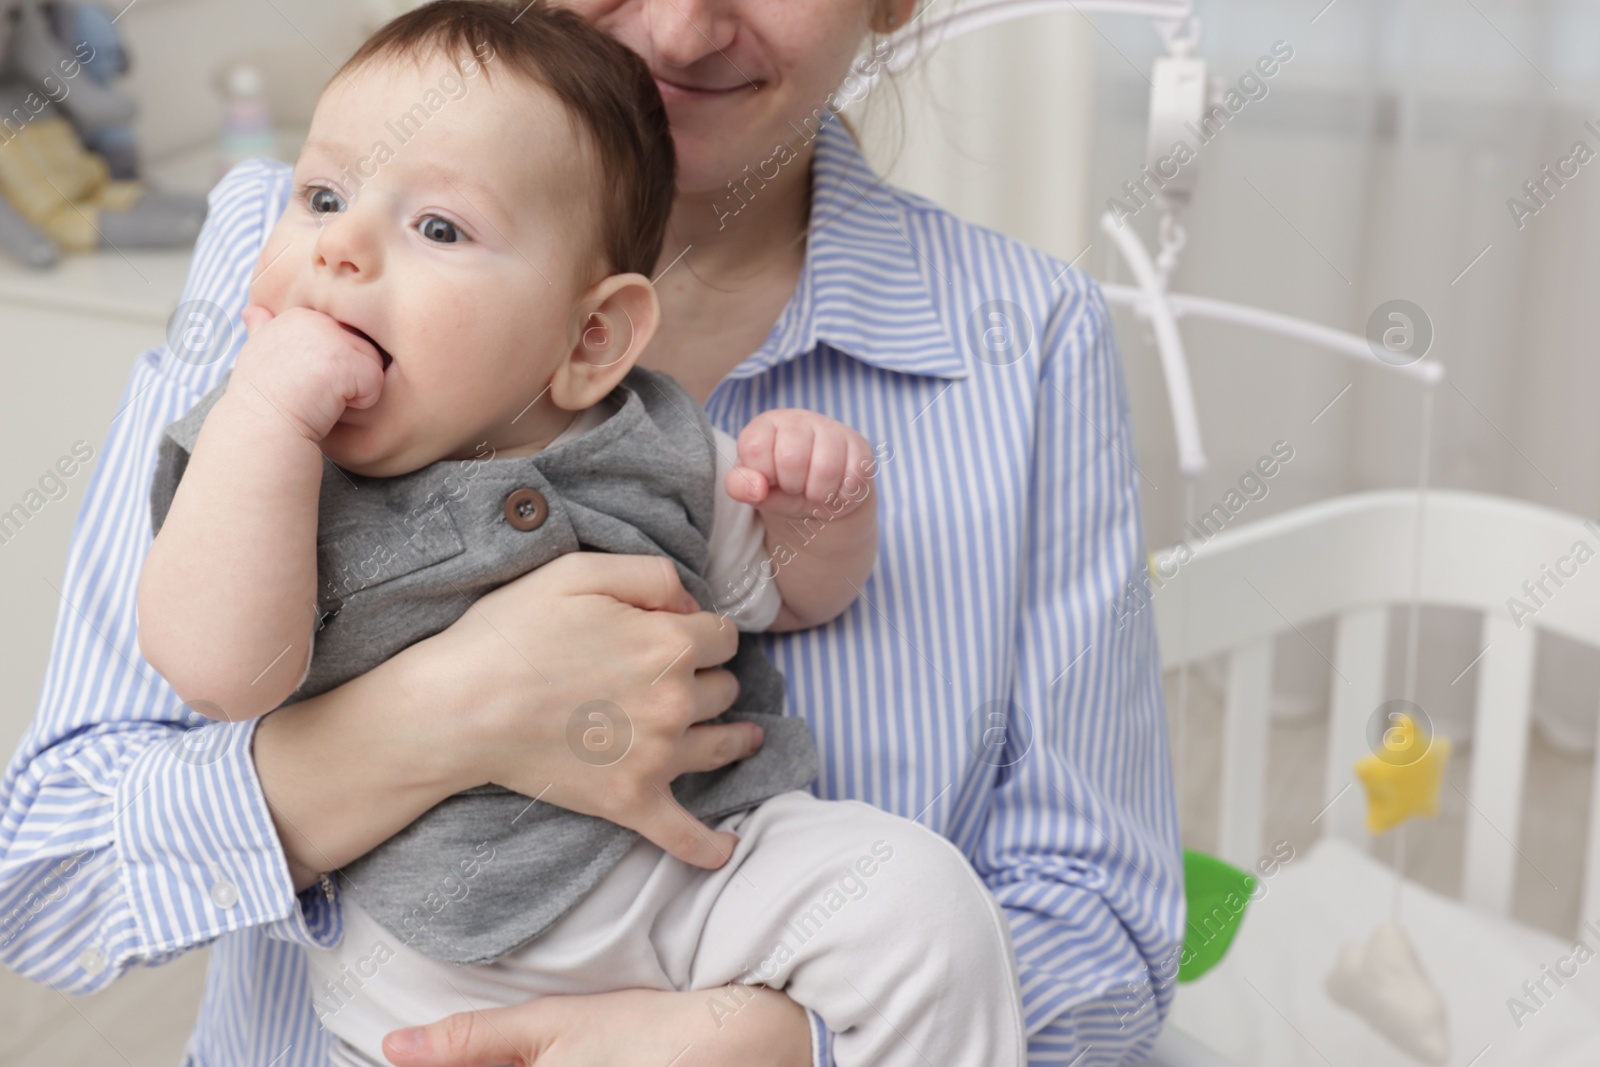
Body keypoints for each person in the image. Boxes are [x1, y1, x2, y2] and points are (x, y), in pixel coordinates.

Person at [0, 0, 1184, 1063]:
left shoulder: (1018, 337)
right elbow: (52, 873)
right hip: (423, 972)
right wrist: (443, 714)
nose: (678, 31)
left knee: (921, 896)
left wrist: (778, 1046)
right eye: (323, 197)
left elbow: (1106, 930)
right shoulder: (297, 285)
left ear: (596, 342)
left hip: (710, 880)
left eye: (444, 230)